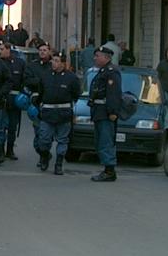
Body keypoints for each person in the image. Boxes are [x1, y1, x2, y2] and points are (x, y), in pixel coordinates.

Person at [37, 51, 82, 175]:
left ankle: (59, 164)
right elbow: (40, 93)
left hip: (63, 114)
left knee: (62, 140)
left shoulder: (71, 78)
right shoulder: (46, 76)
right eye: (53, 60)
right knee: (44, 139)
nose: (54, 63)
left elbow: (76, 95)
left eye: (57, 61)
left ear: (63, 63)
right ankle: (45, 156)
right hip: (47, 113)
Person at [89, 46, 123, 182]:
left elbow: (113, 94)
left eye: (98, 55)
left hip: (106, 112)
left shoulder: (112, 72)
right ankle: (107, 168)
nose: (95, 58)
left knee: (105, 141)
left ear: (106, 58)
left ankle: (109, 171)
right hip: (99, 111)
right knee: (100, 141)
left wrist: (113, 112)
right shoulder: (102, 71)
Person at [23, 41, 53, 163]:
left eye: (45, 50)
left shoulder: (54, 65)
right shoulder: (32, 66)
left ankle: (44, 155)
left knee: (46, 133)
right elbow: (26, 80)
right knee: (38, 131)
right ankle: (43, 153)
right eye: (40, 50)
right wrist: (40, 82)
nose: (42, 52)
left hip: (50, 103)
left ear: (49, 51)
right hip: (36, 103)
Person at [0, 40, 26, 160]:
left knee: (12, 127)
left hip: (15, 100)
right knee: (0, 127)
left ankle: (10, 150)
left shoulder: (19, 63)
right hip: (0, 99)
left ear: (8, 49)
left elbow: (24, 80)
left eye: (2, 49)